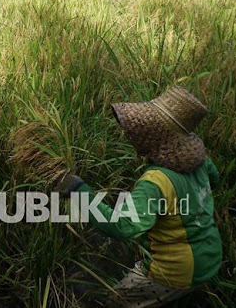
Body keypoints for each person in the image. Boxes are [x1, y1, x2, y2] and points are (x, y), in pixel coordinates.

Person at [57, 86, 222, 308]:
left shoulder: (155, 182)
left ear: (152, 138)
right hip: (210, 257)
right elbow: (214, 180)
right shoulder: (202, 163)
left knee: (113, 301)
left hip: (174, 271)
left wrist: (80, 191)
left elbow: (123, 226)